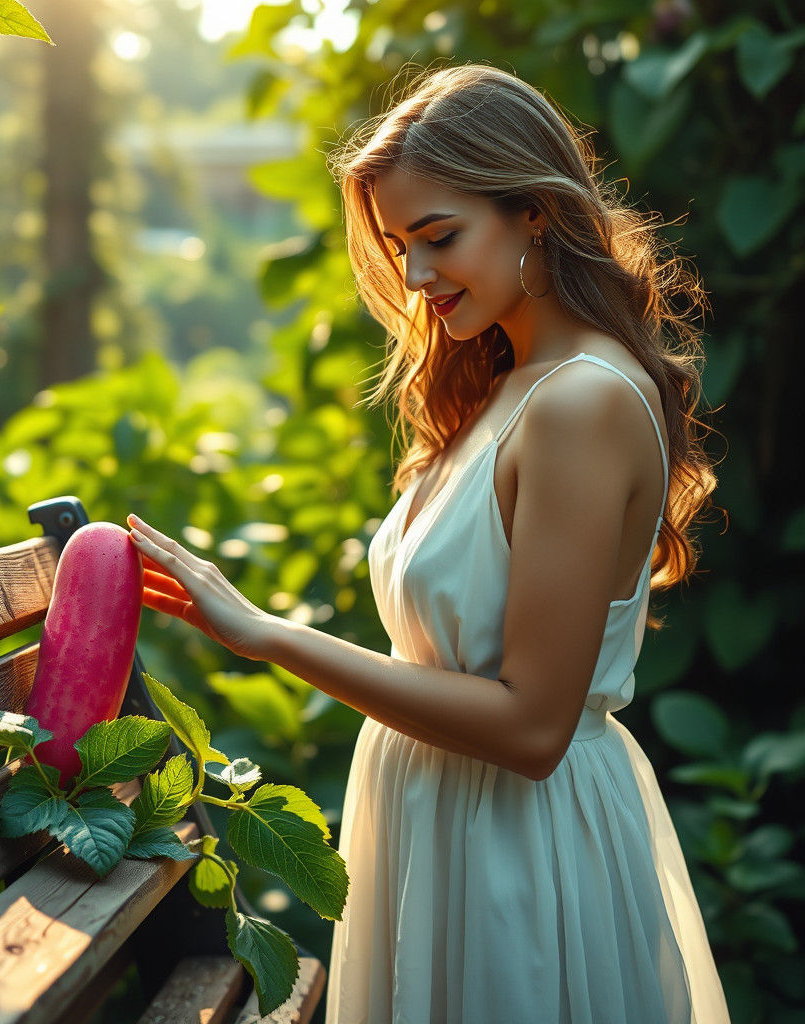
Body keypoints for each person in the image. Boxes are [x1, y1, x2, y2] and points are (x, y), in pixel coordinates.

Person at [126, 61, 730, 1024]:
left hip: (519, 856)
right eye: (401, 244)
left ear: (534, 210)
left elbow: (532, 728)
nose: (413, 275)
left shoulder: (579, 401)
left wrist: (269, 636)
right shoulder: (507, 385)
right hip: (440, 835)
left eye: (439, 236)